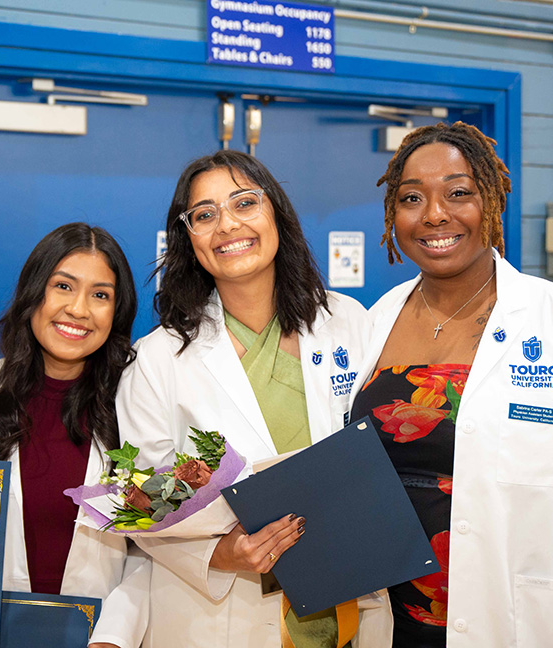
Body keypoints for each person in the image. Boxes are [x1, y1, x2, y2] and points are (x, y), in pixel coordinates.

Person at [349, 121, 553, 647]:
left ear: (492, 201)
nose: (435, 214)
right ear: (393, 214)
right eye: (412, 198)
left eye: (458, 193)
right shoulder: (376, 320)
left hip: (508, 619)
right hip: (388, 617)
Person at [116, 150, 383, 648]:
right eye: (205, 214)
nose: (227, 225)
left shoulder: (349, 324)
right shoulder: (157, 361)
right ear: (188, 239)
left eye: (244, 203)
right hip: (222, 619)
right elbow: (139, 505)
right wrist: (221, 554)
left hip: (349, 602)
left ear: (275, 212)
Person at [0, 223, 148, 648]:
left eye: (100, 295)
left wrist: (113, 636)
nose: (79, 309)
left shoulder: (137, 407)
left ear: (117, 311)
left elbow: (156, 549)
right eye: (63, 286)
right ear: (34, 293)